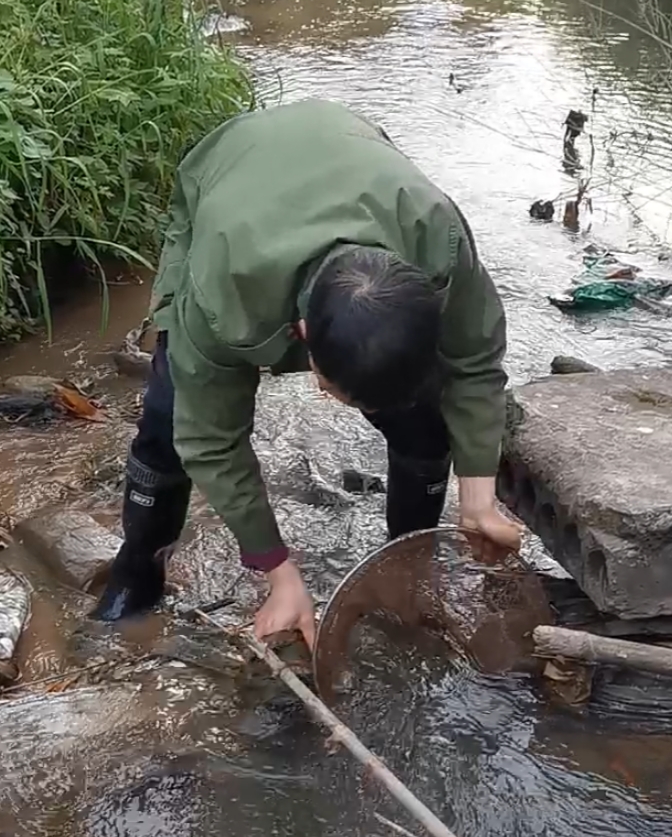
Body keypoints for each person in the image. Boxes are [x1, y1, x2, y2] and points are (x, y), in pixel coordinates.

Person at [92, 98, 521, 648]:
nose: (331, 399)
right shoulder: (224, 291)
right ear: (303, 340)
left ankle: (403, 563)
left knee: (422, 419)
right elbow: (212, 440)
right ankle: (136, 575)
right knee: (169, 422)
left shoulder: (438, 239)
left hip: (352, 149)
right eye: (334, 392)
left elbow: (476, 360)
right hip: (231, 167)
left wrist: (478, 496)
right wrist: (278, 571)